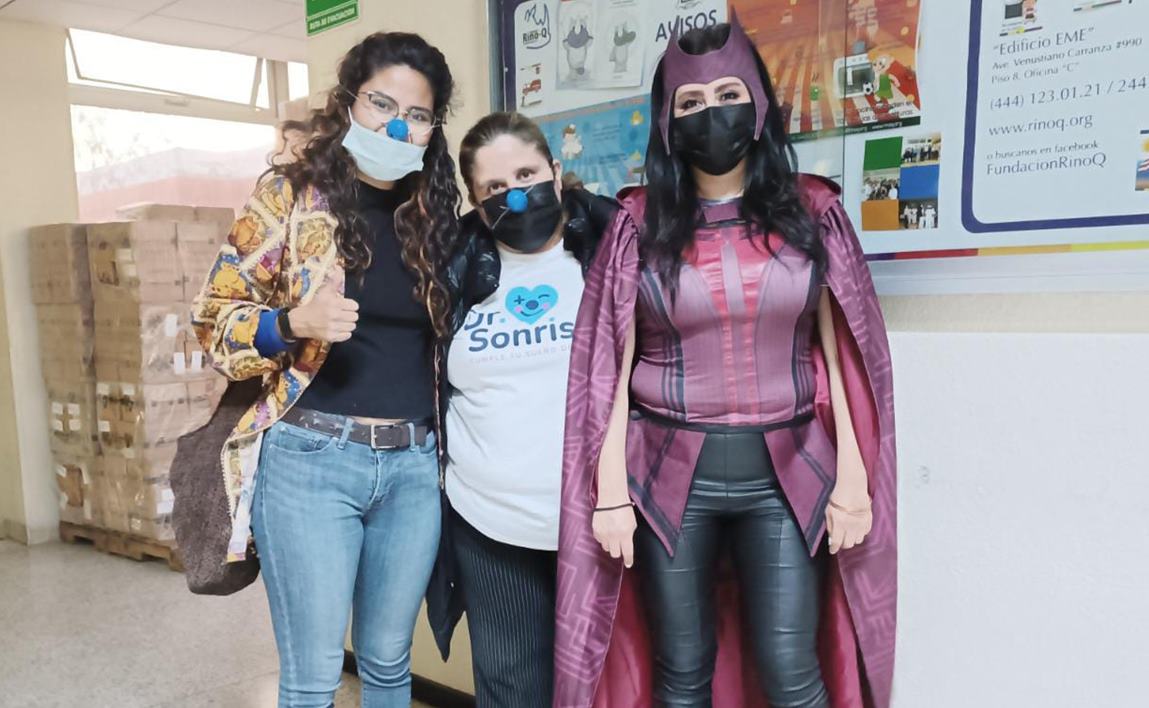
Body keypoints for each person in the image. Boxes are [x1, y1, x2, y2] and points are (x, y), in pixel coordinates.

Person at [555, 17, 897, 708]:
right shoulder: (635, 224)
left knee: (792, 672)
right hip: (663, 477)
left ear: (759, 104)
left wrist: (855, 481)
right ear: (666, 121)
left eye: (726, 92)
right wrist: (609, 491)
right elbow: (609, 368)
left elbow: (842, 356)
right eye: (688, 103)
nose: (710, 113)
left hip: (790, 473)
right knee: (680, 673)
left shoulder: (813, 210)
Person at [191, 32, 460, 708]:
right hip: (311, 460)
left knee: (389, 667)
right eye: (380, 103)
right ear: (348, 104)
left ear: (432, 128)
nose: (397, 124)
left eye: (418, 115)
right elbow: (213, 318)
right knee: (313, 678)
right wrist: (290, 324)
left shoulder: (432, 214)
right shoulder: (287, 196)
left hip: (412, 468)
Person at [432, 112, 617, 706]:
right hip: (491, 524)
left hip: (604, 520)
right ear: (475, 200)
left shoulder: (613, 249)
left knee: (611, 683)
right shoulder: (449, 269)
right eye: (493, 187)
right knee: (513, 689)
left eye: (527, 172)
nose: (515, 193)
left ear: (556, 172)